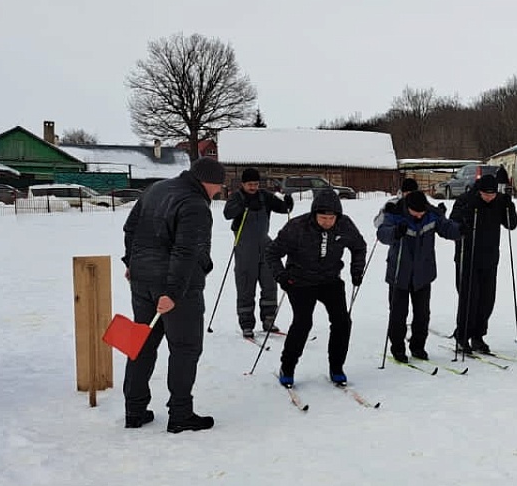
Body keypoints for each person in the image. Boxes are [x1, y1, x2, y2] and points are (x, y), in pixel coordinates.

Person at [119, 156, 223, 431]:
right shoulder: (195, 204)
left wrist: (131, 262)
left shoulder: (156, 189)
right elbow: (186, 252)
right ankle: (180, 414)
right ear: (208, 182)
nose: (219, 192)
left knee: (140, 344)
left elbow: (131, 228)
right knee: (185, 349)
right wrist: (173, 293)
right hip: (178, 289)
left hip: (141, 282)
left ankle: (134, 410)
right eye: (218, 187)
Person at [266, 187, 368, 385]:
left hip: (330, 280)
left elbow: (359, 246)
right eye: (323, 218)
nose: (327, 222)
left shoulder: (344, 225)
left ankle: (336, 366)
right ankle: (287, 366)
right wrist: (282, 276)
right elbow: (272, 253)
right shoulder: (297, 227)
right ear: (314, 214)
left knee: (342, 322)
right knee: (303, 323)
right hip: (300, 281)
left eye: (331, 219)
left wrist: (356, 271)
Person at [378, 190, 460, 362]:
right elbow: (382, 233)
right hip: (399, 273)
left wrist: (460, 230)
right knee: (398, 315)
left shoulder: (431, 214)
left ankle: (418, 347)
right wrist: (394, 232)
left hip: (423, 273)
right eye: (416, 212)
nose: (419, 215)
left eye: (422, 212)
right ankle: (398, 348)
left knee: (422, 314)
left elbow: (446, 228)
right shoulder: (395, 213)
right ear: (408, 208)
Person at [449, 174, 517, 354]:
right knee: (469, 299)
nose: (489, 198)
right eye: (486, 194)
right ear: (479, 191)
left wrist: (510, 207)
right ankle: (462, 337)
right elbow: (452, 224)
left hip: (490, 258)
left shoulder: (500, 201)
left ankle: (478, 336)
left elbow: (511, 224)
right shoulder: (466, 200)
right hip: (468, 257)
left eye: (493, 194)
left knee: (487, 301)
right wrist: (463, 220)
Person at [222, 167, 293, 339]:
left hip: (264, 244)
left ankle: (269, 319)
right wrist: (243, 205)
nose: (253, 187)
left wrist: (288, 203)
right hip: (245, 247)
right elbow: (227, 214)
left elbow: (282, 208)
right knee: (246, 285)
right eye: (250, 184)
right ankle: (246, 324)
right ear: (243, 184)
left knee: (269, 284)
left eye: (255, 184)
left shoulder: (264, 196)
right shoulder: (237, 197)